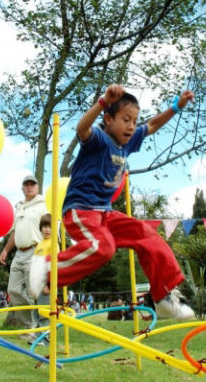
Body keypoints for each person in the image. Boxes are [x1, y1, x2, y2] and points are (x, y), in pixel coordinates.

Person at [28, 84, 194, 320]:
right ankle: (46, 267)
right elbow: (81, 127)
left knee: (147, 236)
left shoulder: (128, 141)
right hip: (81, 210)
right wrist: (103, 101)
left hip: (105, 214)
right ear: (108, 119)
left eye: (134, 121)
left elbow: (153, 125)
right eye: (126, 119)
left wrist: (177, 106)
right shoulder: (98, 139)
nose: (131, 126)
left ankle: (164, 297)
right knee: (103, 248)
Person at [0, 174, 49, 342]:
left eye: (32, 184)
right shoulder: (19, 207)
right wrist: (6, 250)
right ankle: (30, 327)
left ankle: (41, 333)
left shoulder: (44, 205)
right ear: (22, 188)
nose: (29, 187)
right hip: (18, 254)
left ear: (37, 187)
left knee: (36, 293)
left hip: (36, 251)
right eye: (26, 184)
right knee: (12, 290)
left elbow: (50, 227)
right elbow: (15, 232)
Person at [32, 213, 58, 345]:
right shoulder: (40, 244)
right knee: (36, 312)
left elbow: (54, 265)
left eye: (50, 227)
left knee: (45, 312)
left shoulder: (52, 244)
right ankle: (38, 338)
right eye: (45, 227)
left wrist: (49, 284)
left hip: (47, 284)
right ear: (41, 228)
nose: (47, 229)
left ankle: (45, 340)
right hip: (37, 283)